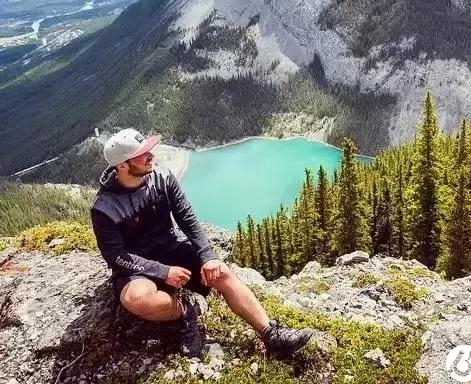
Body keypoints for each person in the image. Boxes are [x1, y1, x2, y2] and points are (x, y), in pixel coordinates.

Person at [90, 128, 314, 359]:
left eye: (149, 149)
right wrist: (162, 272)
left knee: (222, 273)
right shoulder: (104, 208)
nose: (151, 155)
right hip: (137, 266)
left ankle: (271, 334)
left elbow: (186, 216)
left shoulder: (162, 178)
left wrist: (208, 256)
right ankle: (185, 313)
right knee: (137, 299)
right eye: (142, 154)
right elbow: (116, 256)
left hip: (171, 248)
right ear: (123, 166)